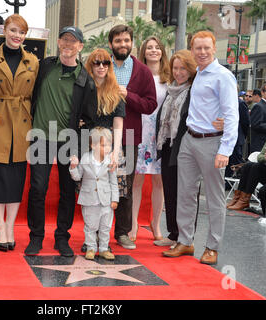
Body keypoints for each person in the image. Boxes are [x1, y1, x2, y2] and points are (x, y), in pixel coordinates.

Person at [162, 31, 239, 265]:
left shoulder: (223, 76)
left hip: (212, 142)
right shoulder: (198, 74)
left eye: (206, 48)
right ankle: (185, 241)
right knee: (185, 194)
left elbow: (232, 115)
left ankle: (212, 247)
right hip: (189, 140)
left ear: (214, 48)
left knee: (215, 198)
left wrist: (225, 150)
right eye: (198, 48)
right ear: (192, 50)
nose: (202, 52)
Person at [24, 26, 97, 257]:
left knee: (67, 190)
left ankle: (62, 237)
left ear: (80, 46)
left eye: (73, 41)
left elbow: (89, 116)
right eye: (64, 39)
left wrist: (80, 148)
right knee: (38, 188)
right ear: (58, 42)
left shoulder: (85, 79)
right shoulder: (45, 66)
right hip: (41, 136)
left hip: (69, 139)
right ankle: (36, 237)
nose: (68, 44)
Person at [0, 14, 39, 252]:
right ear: (4, 30)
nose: (17, 36)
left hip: (23, 122)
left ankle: (11, 225)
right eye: (13, 30)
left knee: (17, 178)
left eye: (22, 32)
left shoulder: (33, 61)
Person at [108, 24, 157, 250]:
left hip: (128, 136)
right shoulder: (100, 64)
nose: (122, 44)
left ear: (132, 43)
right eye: (118, 41)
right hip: (99, 135)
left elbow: (150, 105)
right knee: (94, 183)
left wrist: (129, 95)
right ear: (111, 44)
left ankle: (122, 233)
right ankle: (94, 231)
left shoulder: (143, 72)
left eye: (126, 40)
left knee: (124, 186)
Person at [79, 48, 126, 253]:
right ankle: (90, 239)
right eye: (97, 63)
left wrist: (116, 151)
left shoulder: (116, 91)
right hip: (86, 145)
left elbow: (118, 124)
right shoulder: (82, 88)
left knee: (110, 192)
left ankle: (104, 239)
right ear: (90, 65)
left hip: (109, 147)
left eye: (105, 63)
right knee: (89, 192)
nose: (101, 67)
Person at [153, 50, 196, 247]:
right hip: (168, 145)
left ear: (191, 69)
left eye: (183, 68)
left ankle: (184, 237)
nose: (179, 72)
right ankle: (173, 233)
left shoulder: (194, 90)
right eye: (175, 68)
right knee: (169, 190)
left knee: (184, 193)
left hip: (185, 146)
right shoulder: (171, 90)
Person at [131, 36, 170, 243]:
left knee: (159, 182)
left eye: (157, 47)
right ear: (143, 52)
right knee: (136, 180)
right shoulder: (138, 75)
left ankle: (156, 224)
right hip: (140, 130)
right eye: (149, 48)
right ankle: (133, 225)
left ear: (162, 51)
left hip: (161, 134)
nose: (153, 51)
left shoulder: (170, 78)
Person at [69, 127, 119, 260]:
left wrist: (115, 199)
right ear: (93, 145)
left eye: (109, 145)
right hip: (89, 199)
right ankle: (91, 247)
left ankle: (103, 248)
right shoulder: (85, 158)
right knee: (90, 226)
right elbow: (78, 177)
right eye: (103, 145)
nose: (107, 148)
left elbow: (113, 182)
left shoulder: (110, 161)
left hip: (106, 200)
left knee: (105, 226)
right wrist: (73, 167)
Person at [227, 119, 266, 211]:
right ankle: (240, 199)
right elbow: (260, 156)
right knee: (249, 165)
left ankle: (243, 200)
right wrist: (265, 158)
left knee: (255, 167)